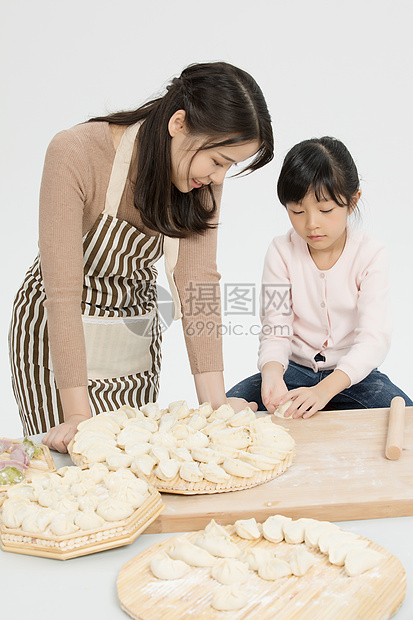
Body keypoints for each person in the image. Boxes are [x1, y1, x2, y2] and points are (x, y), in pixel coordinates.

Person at [9, 61, 274, 452]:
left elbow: (197, 284)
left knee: (134, 470)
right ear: (179, 123)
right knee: (78, 470)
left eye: (230, 167)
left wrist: (216, 406)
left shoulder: (200, 181)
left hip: (131, 336)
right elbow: (62, 293)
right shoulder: (76, 153)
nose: (219, 178)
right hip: (59, 346)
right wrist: (78, 415)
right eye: (218, 161)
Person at [227, 136, 412, 418]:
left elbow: (373, 339)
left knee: (406, 416)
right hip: (294, 372)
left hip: (353, 376)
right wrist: (272, 373)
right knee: (223, 408)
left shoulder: (370, 254)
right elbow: (275, 327)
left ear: (352, 202)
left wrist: (324, 392)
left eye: (326, 210)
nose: (311, 223)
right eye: (297, 211)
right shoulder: (281, 251)